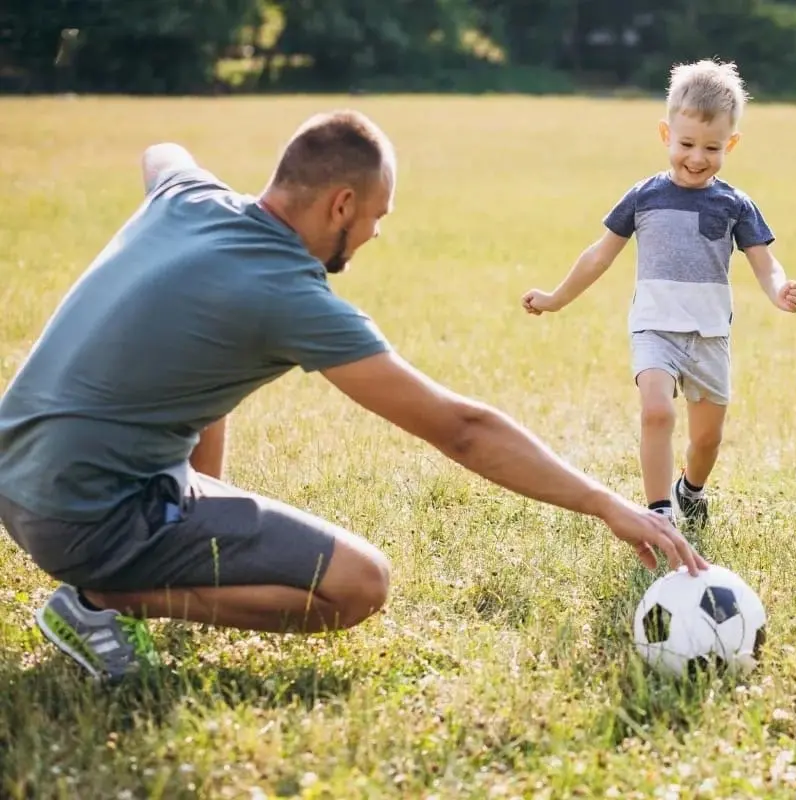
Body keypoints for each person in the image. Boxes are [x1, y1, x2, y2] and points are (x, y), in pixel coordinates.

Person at [0, 109, 706, 683]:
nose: (373, 234)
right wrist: (607, 506)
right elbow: (460, 428)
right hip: (82, 518)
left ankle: (154, 546)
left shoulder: (186, 195)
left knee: (208, 369)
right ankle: (102, 600)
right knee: (358, 586)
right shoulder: (290, 296)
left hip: (18, 476)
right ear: (341, 202)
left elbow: (162, 150)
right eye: (375, 216)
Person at [521, 60, 796, 531]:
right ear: (665, 134)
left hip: (709, 335)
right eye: (687, 144)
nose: (697, 157)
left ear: (730, 144)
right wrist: (555, 298)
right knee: (656, 411)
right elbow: (599, 256)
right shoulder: (643, 197)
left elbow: (764, 262)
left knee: (707, 441)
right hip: (655, 328)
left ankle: (690, 489)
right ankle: (659, 515)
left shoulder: (735, 204)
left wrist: (779, 290)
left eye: (712, 148)